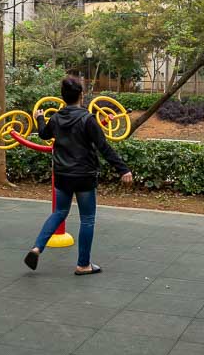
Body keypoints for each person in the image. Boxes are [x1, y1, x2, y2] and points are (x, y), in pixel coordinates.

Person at [24, 75, 132, 275]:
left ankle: (37, 247)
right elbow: (103, 147)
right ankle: (83, 265)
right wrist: (123, 169)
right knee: (87, 219)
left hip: (63, 175)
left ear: (63, 97)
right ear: (81, 95)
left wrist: (39, 117)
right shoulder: (87, 119)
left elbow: (44, 134)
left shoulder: (55, 118)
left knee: (59, 213)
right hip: (84, 175)